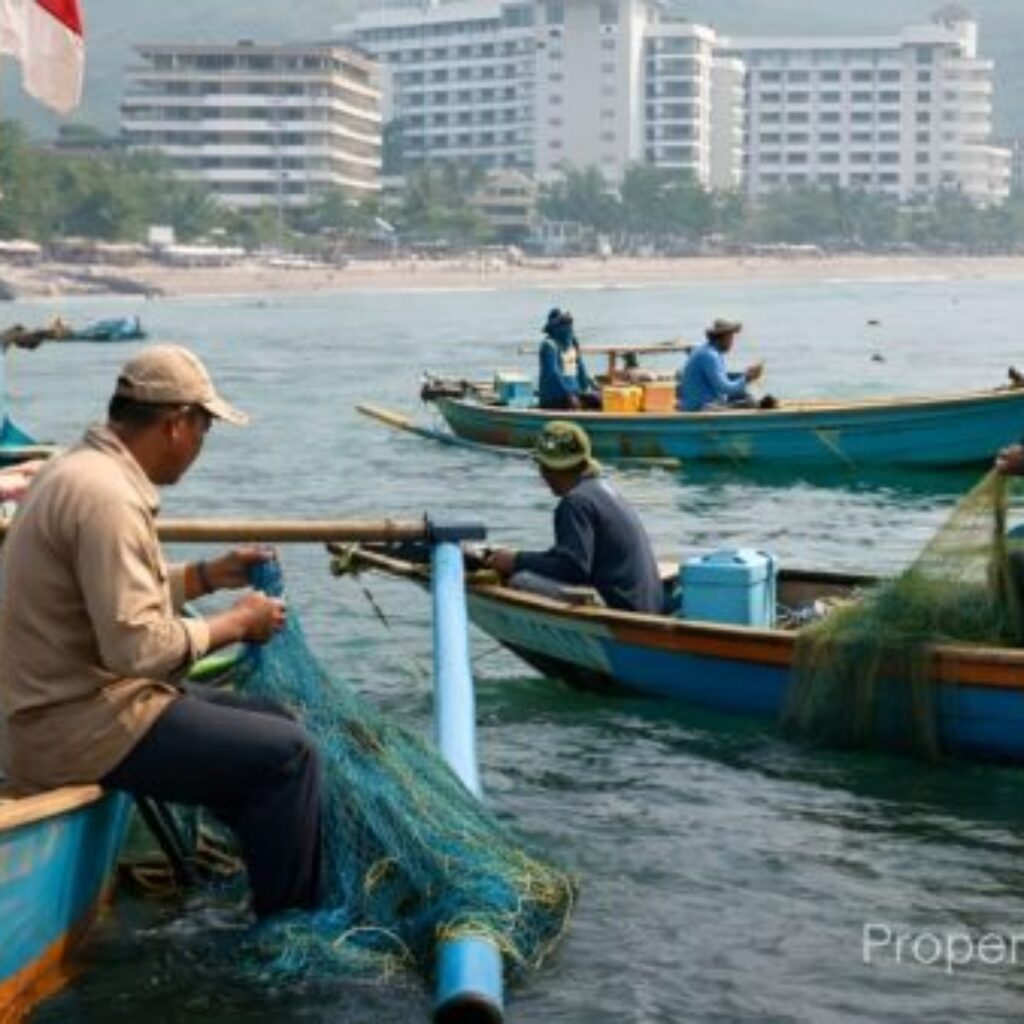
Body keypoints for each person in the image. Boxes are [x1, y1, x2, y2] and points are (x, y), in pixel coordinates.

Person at [0, 344, 323, 920]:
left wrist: (206, 576)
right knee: (288, 757)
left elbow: (107, 602)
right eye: (205, 430)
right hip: (75, 725)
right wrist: (236, 623)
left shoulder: (77, 470)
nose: (201, 447)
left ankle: (261, 881)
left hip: (71, 705)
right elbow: (138, 648)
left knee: (274, 721)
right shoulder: (107, 497)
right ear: (176, 425)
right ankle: (288, 930)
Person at [484, 421, 664, 614]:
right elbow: (570, 557)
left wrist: (517, 561)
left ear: (547, 470)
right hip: (646, 603)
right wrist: (520, 557)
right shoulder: (602, 489)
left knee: (520, 580)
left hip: (621, 609)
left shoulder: (575, 503)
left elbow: (573, 569)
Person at [677, 318, 767, 412]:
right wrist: (747, 378)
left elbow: (720, 377)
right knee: (749, 402)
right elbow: (724, 388)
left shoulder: (708, 350)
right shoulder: (710, 356)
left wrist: (744, 375)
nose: (732, 342)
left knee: (745, 396)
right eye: (730, 338)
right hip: (699, 407)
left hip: (701, 403)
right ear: (722, 338)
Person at [537, 308, 600, 410]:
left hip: (575, 393)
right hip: (554, 398)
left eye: (569, 323)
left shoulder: (572, 344)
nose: (568, 327)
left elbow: (580, 368)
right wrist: (568, 394)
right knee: (573, 404)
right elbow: (553, 374)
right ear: (554, 328)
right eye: (563, 324)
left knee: (599, 400)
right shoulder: (549, 346)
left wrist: (593, 386)